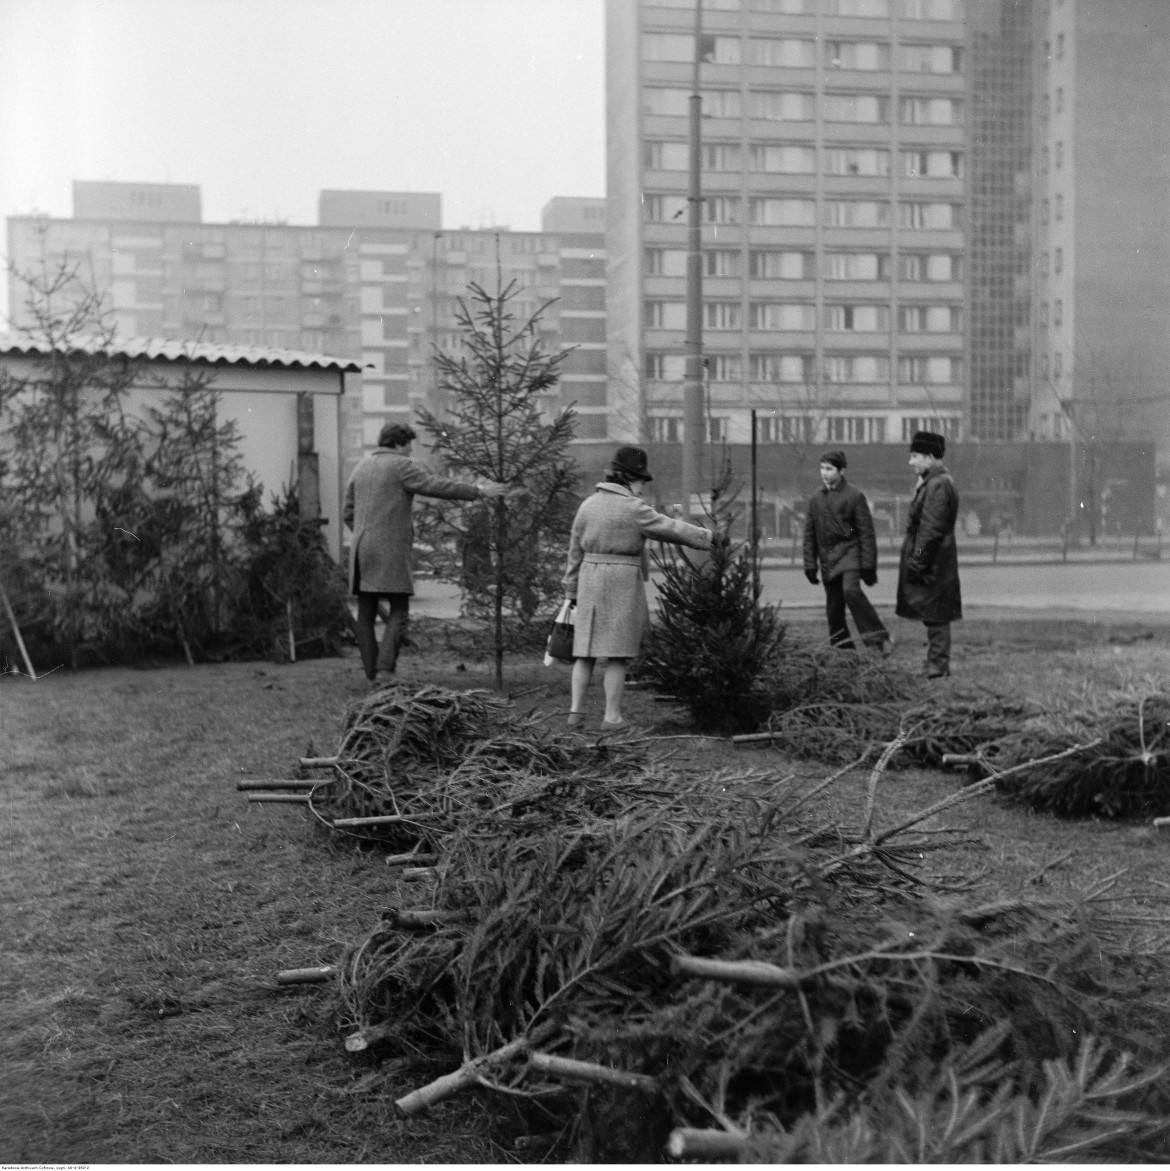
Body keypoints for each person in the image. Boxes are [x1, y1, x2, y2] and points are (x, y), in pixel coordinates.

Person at [562, 445, 721, 730]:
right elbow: (672, 529)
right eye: (640, 481)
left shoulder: (587, 505)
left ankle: (575, 713)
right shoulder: (635, 509)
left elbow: (574, 552)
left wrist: (571, 592)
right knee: (617, 654)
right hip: (621, 582)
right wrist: (709, 538)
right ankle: (611, 717)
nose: (642, 487)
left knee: (584, 652)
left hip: (589, 579)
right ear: (627, 479)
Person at [343, 423, 506, 681]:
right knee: (399, 609)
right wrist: (478, 491)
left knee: (365, 612)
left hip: (361, 550)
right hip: (391, 551)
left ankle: (372, 673)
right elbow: (435, 485)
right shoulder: (400, 465)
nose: (410, 451)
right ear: (398, 444)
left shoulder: (361, 467)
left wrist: (366, 533)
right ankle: (385, 669)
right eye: (409, 445)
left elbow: (347, 513)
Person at [802, 450, 890, 653]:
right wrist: (809, 565)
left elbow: (866, 534)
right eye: (822, 468)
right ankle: (844, 651)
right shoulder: (815, 499)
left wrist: (868, 566)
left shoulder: (854, 496)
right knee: (834, 610)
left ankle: (880, 640)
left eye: (829, 469)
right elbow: (809, 536)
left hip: (850, 555)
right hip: (827, 561)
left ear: (842, 470)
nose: (824, 473)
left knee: (851, 591)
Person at [895, 430, 962, 679]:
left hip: (934, 560)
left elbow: (930, 529)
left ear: (932, 457)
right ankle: (935, 664)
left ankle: (937, 666)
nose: (911, 461)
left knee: (936, 613)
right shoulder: (934, 482)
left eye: (916, 456)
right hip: (936, 558)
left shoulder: (938, 485)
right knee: (934, 611)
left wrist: (918, 560)